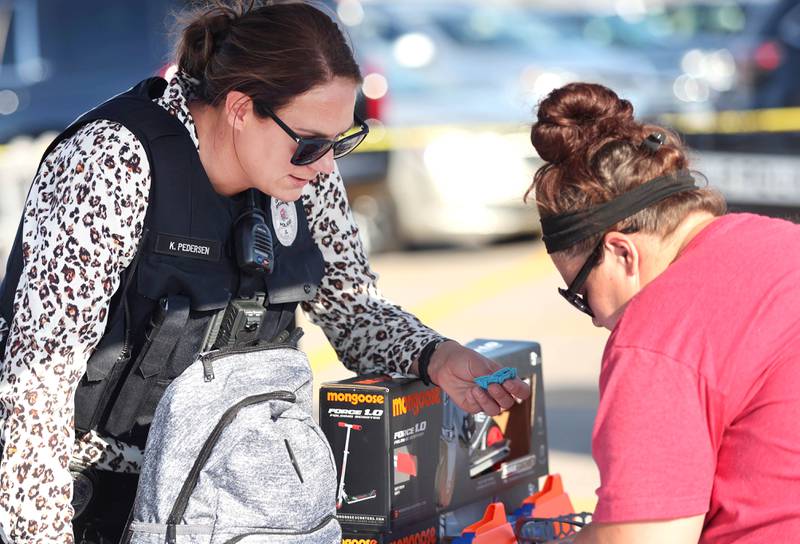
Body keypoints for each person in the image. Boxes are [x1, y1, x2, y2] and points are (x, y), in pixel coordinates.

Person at [0, 2, 528, 542]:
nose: (327, 165)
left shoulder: (306, 173)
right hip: (96, 501)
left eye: (341, 141)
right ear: (239, 107)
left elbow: (351, 309)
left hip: (240, 501)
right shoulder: (113, 162)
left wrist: (436, 356)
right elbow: (35, 384)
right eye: (312, 143)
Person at [527, 82, 800, 543]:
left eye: (580, 293)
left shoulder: (656, 339)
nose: (594, 318)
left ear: (622, 253)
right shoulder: (780, 241)